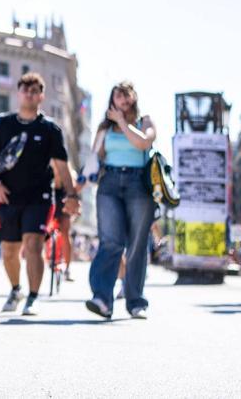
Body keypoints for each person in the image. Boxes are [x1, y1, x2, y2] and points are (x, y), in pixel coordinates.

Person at [0, 72, 79, 315]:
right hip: (8, 196)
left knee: (34, 245)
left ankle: (32, 297)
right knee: (9, 250)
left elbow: (62, 165)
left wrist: (72, 196)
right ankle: (15, 289)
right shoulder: (2, 124)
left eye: (35, 91)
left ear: (41, 96)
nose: (30, 94)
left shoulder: (50, 129)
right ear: (18, 93)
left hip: (40, 197)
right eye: (26, 89)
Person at [84, 81, 157, 320]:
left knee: (137, 245)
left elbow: (143, 143)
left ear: (134, 98)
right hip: (110, 183)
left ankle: (136, 301)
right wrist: (77, 187)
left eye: (127, 96)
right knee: (110, 241)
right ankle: (102, 299)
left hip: (139, 183)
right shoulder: (104, 128)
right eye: (118, 96)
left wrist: (123, 123)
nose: (123, 100)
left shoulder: (144, 122)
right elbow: (95, 157)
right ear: (112, 100)